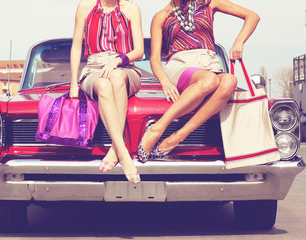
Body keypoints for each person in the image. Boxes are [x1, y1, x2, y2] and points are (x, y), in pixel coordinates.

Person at [138, 0, 259, 162]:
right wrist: (165, 81)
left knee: (230, 80)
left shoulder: (209, 4)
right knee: (209, 80)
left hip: (210, 61)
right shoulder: (161, 16)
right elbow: (154, 58)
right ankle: (157, 128)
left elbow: (252, 16)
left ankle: (178, 136)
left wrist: (239, 42)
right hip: (180, 64)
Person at [69, 0, 144, 183]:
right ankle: (123, 151)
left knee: (116, 76)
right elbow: (77, 46)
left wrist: (117, 61)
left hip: (125, 68)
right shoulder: (85, 7)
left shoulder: (131, 8)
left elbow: (139, 51)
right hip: (94, 69)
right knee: (103, 84)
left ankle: (115, 150)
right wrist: (73, 83)